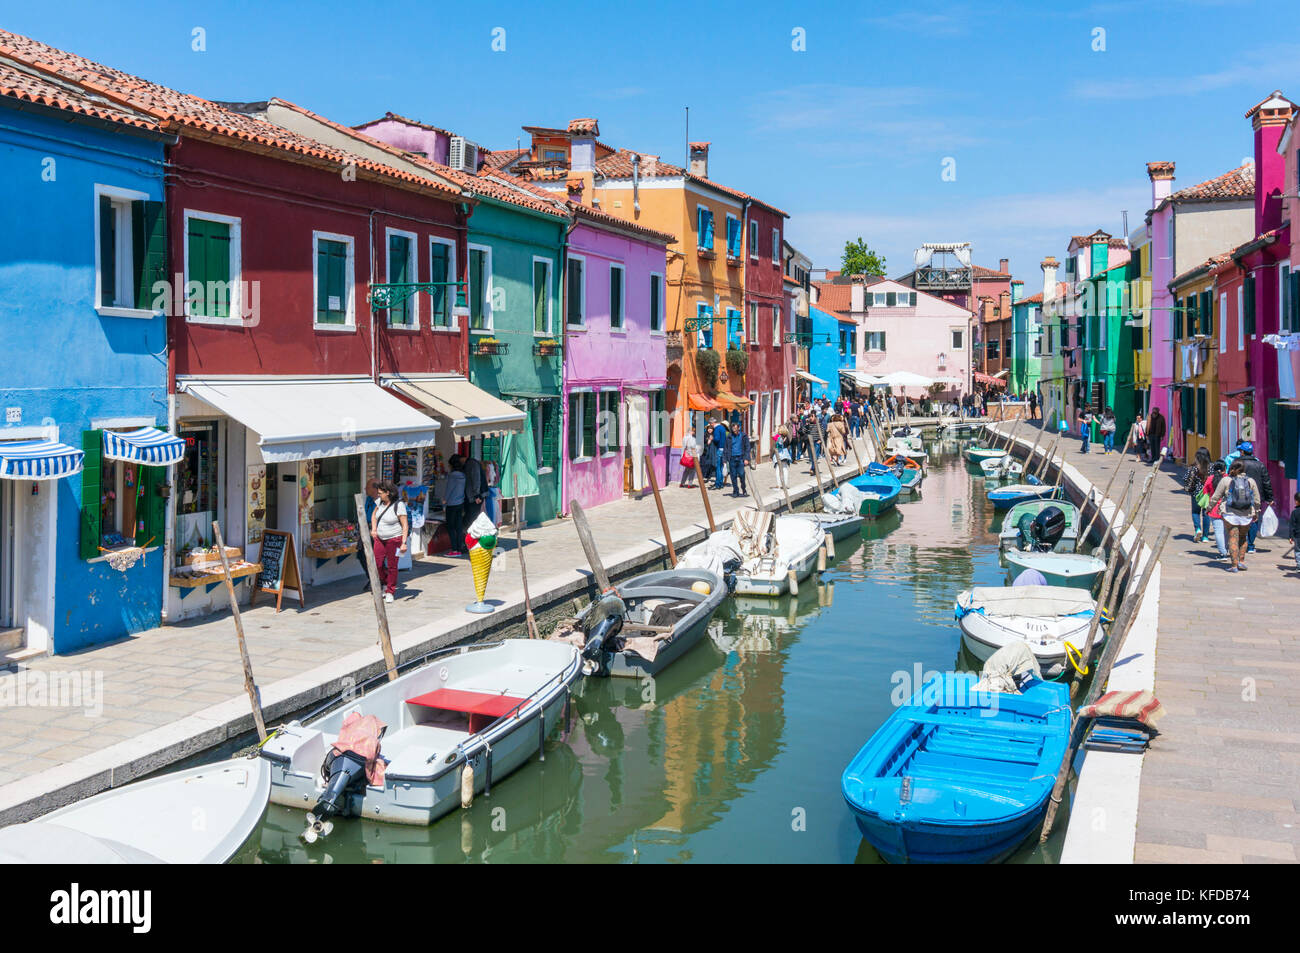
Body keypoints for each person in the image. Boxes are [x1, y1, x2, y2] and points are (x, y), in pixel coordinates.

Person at [1208, 461, 1260, 573]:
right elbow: (1256, 500)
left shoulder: (1226, 480)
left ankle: (1234, 565)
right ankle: (1241, 561)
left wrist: (1209, 507)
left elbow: (1216, 496)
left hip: (1230, 514)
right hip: (1246, 514)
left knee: (1233, 538)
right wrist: (1256, 512)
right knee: (1243, 537)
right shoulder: (1251, 481)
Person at [370, 481, 409, 602]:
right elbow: (374, 515)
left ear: (388, 493)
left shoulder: (399, 505)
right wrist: (374, 529)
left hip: (395, 539)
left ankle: (390, 591)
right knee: (378, 564)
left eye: (381, 493)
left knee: (392, 565)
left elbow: (405, 525)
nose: (378, 494)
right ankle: (385, 583)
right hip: (380, 539)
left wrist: (403, 543)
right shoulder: (379, 502)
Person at [1233, 441, 1273, 554]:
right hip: (1256, 496)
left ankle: (1241, 543)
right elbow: (1266, 482)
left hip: (1239, 496)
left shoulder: (1236, 463)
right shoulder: (1260, 464)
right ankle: (1250, 545)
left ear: (1242, 451)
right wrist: (1270, 498)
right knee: (1254, 519)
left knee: (1239, 519)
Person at [1184, 447, 1212, 543]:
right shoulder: (1211, 467)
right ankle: (1205, 537)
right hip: (1207, 494)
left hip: (1196, 494)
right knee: (1206, 514)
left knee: (1195, 512)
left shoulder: (1193, 468)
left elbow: (1185, 479)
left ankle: (1197, 529)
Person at [444, 456, 467, 557]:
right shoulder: (463, 475)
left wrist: (444, 500)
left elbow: (449, 489)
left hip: (452, 503)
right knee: (458, 526)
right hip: (460, 503)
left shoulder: (452, 476)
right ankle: (459, 548)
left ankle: (454, 550)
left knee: (450, 527)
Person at [1204, 461, 1228, 560]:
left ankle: (1223, 553)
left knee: (1218, 531)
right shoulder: (1228, 478)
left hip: (1214, 508)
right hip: (1227, 508)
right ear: (1225, 469)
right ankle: (1227, 549)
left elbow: (1205, 491)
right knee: (1226, 531)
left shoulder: (1210, 478)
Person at [361, 478, 379, 592]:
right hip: (366, 529)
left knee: (377, 557)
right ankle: (372, 578)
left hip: (376, 531)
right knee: (361, 555)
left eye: (367, 487)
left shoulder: (381, 501)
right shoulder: (368, 499)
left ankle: (379, 580)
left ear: (374, 489)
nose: (365, 489)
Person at [727, 422, 750, 496]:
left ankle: (743, 489)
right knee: (733, 476)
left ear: (739, 428)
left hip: (741, 458)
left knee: (741, 475)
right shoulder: (729, 436)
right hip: (732, 458)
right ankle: (735, 491)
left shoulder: (743, 436)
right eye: (733, 429)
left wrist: (746, 458)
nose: (735, 431)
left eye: (736, 429)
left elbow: (747, 447)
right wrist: (724, 459)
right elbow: (726, 447)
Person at [463, 452, 484, 522]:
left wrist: (476, 495)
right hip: (474, 496)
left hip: (475, 497)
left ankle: (470, 532)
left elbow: (476, 480)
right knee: (472, 517)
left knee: (472, 517)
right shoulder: (473, 464)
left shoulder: (472, 464)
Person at [710, 414, 728, 490]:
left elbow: (717, 439)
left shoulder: (717, 429)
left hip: (719, 449)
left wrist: (712, 438)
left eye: (710, 425)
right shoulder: (722, 428)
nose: (711, 426)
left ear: (712, 423)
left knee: (718, 467)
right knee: (720, 466)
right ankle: (720, 483)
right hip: (723, 449)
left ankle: (718, 484)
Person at [1289, 492, 1300, 573]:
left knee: (1298, 550)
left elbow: (1292, 526)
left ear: (1296, 501)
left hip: (1297, 535)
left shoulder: (1295, 512)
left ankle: (1299, 565)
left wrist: (1291, 536)